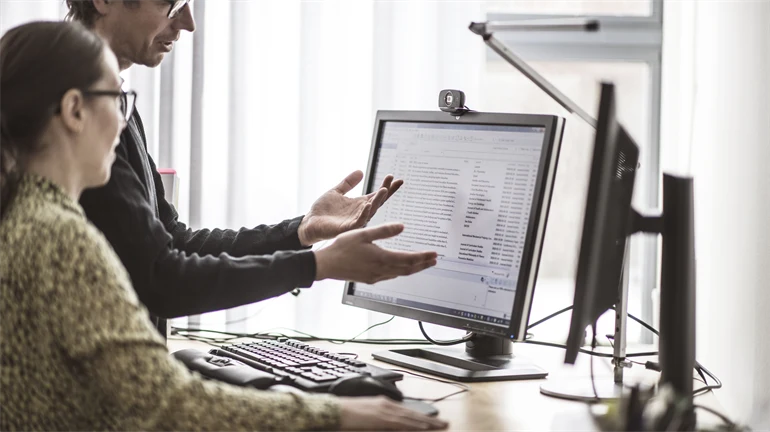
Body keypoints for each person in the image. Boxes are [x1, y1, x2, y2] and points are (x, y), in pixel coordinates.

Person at [0, 20, 447, 431]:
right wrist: (337, 414)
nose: (123, 118)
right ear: (74, 110)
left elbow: (172, 243)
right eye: (117, 99)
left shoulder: (23, 216)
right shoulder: (60, 238)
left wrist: (302, 232)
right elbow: (169, 403)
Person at [63, 0, 422, 332]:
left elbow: (174, 243)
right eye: (172, 4)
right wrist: (319, 265)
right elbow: (161, 280)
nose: (187, 23)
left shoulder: (113, 103)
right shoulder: (76, 115)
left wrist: (301, 231)